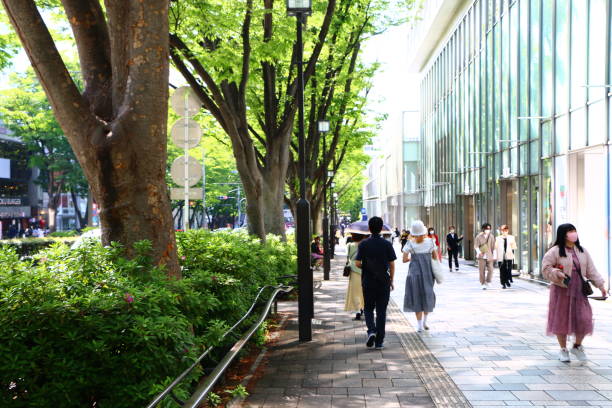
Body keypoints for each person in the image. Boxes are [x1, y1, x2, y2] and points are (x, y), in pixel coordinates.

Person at [542, 223, 607, 362]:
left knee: (584, 318)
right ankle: (563, 350)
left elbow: (591, 270)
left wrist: (601, 285)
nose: (573, 234)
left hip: (579, 290)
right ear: (563, 234)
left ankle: (577, 346)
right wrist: (556, 273)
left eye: (574, 231)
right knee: (562, 320)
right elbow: (546, 268)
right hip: (561, 290)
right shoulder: (554, 251)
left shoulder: (582, 250)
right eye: (570, 231)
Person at [355, 217, 396, 350]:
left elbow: (357, 263)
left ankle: (371, 330)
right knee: (381, 311)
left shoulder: (363, 244)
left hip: (368, 281)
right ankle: (379, 342)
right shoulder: (387, 244)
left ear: (369, 228)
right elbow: (392, 264)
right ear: (381, 228)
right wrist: (391, 280)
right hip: (383, 281)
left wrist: (366, 267)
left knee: (368, 308)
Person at [402, 220, 437, 333]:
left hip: (414, 274)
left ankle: (419, 326)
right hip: (428, 273)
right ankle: (425, 321)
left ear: (412, 233)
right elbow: (435, 257)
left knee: (416, 296)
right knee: (427, 295)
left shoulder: (410, 243)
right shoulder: (431, 242)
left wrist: (413, 258)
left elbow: (404, 259)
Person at [344, 233, 367, 320]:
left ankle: (357, 310)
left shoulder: (350, 245)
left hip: (353, 269)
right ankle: (363, 307)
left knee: (355, 291)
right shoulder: (365, 245)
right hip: (363, 268)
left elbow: (348, 257)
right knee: (363, 290)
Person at [474, 223, 496, 290]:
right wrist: (479, 252)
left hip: (489, 255)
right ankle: (483, 283)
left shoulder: (491, 236)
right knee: (481, 270)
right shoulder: (478, 236)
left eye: (489, 229)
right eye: (486, 229)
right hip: (481, 256)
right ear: (483, 229)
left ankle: (488, 281)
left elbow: (493, 247)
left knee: (491, 270)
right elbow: (476, 246)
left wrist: (494, 255)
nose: (488, 230)